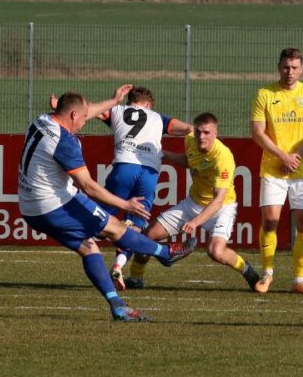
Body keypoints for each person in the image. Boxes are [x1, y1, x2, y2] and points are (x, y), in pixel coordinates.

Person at [18, 86, 196, 322]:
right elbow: (89, 187)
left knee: (88, 247)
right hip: (53, 203)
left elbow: (86, 109)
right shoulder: (65, 142)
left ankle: (117, 305)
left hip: (29, 207)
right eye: (83, 118)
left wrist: (114, 101)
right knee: (115, 228)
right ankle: (165, 253)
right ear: (72, 114)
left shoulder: (41, 120)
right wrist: (126, 204)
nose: (84, 122)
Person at [123, 112, 265, 292]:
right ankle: (136, 278)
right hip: (192, 203)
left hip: (221, 208)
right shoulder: (190, 139)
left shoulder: (223, 158)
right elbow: (189, 160)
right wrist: (164, 154)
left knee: (216, 252)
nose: (201, 137)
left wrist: (195, 222)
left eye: (206, 133)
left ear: (215, 133)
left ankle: (249, 272)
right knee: (147, 235)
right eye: (198, 132)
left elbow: (218, 200)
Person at [100, 86, 192, 291]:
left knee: (100, 221)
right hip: (148, 173)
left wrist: (113, 100)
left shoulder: (117, 110)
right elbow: (188, 129)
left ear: (129, 101)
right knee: (135, 228)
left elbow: (94, 111)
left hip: (123, 167)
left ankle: (102, 249)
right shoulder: (159, 118)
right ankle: (118, 265)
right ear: (149, 104)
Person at [250, 47, 303, 295]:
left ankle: (299, 280)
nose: (289, 72)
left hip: (302, 171)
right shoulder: (265, 94)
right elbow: (257, 132)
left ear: (302, 69)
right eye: (285, 67)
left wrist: (295, 156)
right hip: (273, 169)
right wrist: (282, 155)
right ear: (278, 66)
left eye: (294, 67)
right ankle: (267, 274)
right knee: (270, 221)